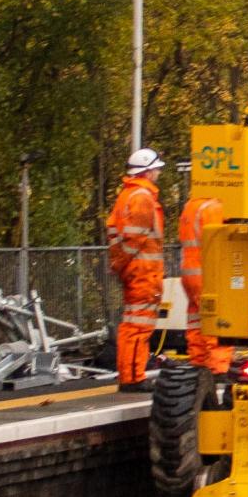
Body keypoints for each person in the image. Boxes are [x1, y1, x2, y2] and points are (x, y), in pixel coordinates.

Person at [108, 148, 166, 391]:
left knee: (134, 324)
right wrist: (124, 265)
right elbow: (135, 239)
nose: (158, 174)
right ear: (147, 171)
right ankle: (133, 377)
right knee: (138, 326)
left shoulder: (127, 196)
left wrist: (119, 266)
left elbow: (117, 235)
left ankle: (131, 375)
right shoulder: (142, 197)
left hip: (137, 270)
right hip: (143, 271)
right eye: (156, 170)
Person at [177, 190, 232, 374]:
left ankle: (198, 364)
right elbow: (220, 243)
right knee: (218, 320)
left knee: (196, 321)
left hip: (189, 273)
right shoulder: (214, 208)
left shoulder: (191, 205)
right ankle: (218, 368)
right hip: (207, 273)